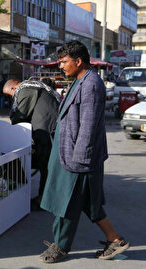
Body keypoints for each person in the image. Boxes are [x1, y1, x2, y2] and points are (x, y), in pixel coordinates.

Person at [39, 40, 129, 263]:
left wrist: (78, 162)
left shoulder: (91, 84)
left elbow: (88, 127)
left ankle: (60, 246)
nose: (61, 66)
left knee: (66, 202)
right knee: (90, 203)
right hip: (67, 153)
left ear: (78, 61)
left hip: (77, 158)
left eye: (64, 62)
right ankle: (115, 239)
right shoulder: (80, 80)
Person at [2, 78, 61, 209]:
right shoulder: (37, 86)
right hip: (48, 129)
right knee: (46, 166)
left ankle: (43, 201)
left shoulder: (25, 88)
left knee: (46, 166)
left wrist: (11, 133)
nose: (11, 98)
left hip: (46, 131)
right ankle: (44, 199)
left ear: (13, 88)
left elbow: (20, 116)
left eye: (9, 95)